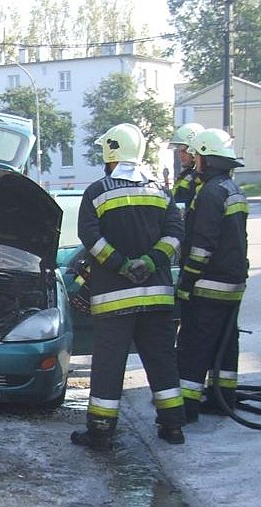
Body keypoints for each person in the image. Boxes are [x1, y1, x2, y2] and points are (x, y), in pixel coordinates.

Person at [70, 123, 186, 450]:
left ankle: (101, 432)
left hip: (114, 300)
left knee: (109, 366)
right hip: (157, 298)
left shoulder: (97, 192)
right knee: (162, 361)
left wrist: (120, 264)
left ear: (112, 151)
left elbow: (91, 240)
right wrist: (150, 262)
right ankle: (173, 426)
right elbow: (175, 235)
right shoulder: (161, 192)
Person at [175, 128, 248, 422]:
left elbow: (202, 246)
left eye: (197, 156)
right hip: (233, 284)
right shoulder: (233, 190)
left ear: (205, 159)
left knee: (194, 345)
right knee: (226, 343)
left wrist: (186, 283)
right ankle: (222, 397)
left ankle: (187, 407)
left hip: (207, 285)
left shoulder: (210, 193)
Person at [168, 123, 204, 211]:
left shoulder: (198, 179)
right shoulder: (185, 176)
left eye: (184, 151)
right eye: (179, 151)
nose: (180, 155)